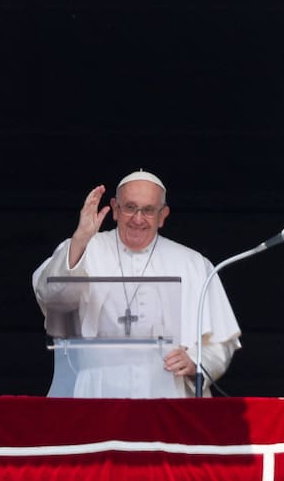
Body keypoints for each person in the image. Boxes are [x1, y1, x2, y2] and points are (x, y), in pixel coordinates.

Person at [32, 169, 241, 398]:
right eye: (130, 207)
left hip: (166, 392)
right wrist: (81, 237)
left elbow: (221, 342)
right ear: (115, 208)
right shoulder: (85, 248)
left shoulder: (192, 263)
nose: (138, 219)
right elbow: (52, 297)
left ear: (163, 215)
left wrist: (196, 361)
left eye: (149, 210)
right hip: (94, 391)